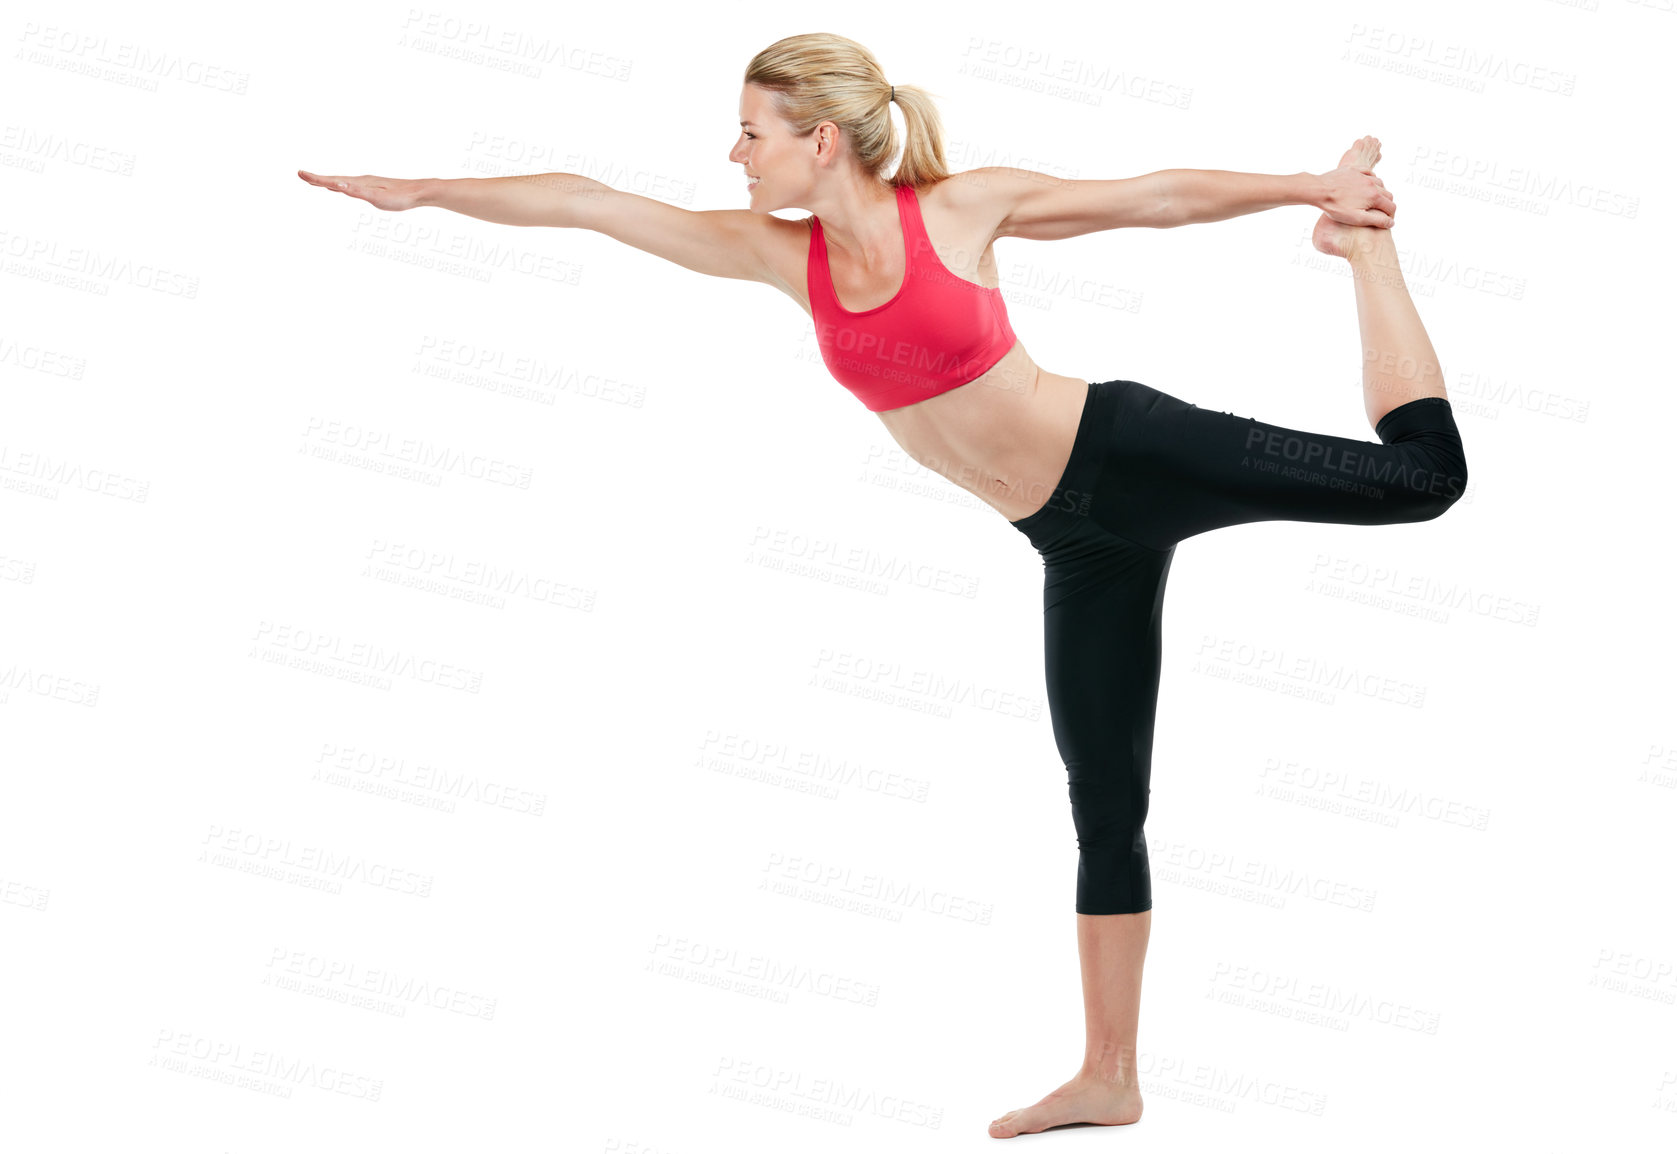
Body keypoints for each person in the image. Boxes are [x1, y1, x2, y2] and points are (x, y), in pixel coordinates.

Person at [298, 31, 1467, 1141]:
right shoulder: (779, 256)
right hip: (1070, 544)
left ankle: (1369, 253)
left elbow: (1149, 195)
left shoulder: (960, 209)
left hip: (1129, 450)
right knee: (1104, 802)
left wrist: (1311, 190)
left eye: (748, 130)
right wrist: (427, 191)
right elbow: (591, 202)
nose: (732, 154)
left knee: (1422, 480)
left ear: (819, 138)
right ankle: (1109, 1077)